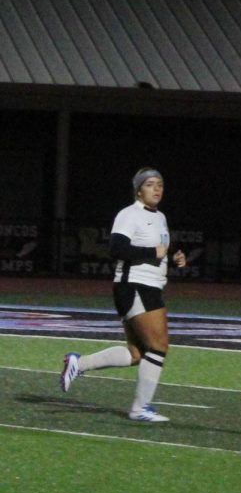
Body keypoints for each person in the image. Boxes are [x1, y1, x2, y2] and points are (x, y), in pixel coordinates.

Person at [59, 168, 187, 422]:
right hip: (136, 286)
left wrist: (173, 258)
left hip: (145, 285)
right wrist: (155, 252)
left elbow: (155, 253)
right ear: (139, 190)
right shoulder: (129, 214)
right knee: (159, 346)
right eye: (150, 184)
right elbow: (116, 248)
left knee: (137, 353)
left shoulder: (160, 217)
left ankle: (78, 363)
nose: (157, 189)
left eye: (160, 184)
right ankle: (140, 408)